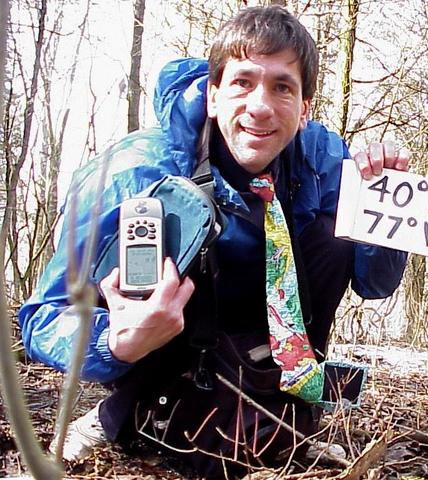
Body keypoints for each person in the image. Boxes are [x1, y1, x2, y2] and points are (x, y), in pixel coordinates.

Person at [18, 5, 408, 476]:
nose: (260, 107)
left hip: (267, 325)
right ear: (212, 95)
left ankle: (290, 410)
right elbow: (44, 319)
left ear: (304, 109)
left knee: (333, 236)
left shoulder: (327, 161)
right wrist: (114, 343)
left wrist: (383, 208)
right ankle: (122, 416)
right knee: (174, 224)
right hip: (166, 332)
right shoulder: (133, 173)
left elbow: (375, 283)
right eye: (242, 82)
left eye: (282, 87)